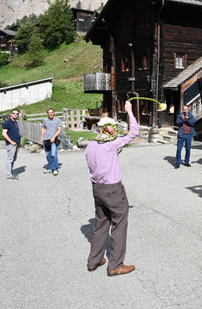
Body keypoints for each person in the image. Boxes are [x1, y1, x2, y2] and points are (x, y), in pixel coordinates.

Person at [85, 100, 140, 277]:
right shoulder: (111, 144)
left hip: (97, 188)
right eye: (113, 127)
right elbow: (134, 132)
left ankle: (94, 260)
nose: (115, 130)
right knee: (119, 223)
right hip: (113, 189)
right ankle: (115, 265)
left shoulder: (91, 145)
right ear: (108, 128)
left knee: (101, 223)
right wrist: (129, 111)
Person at [40, 108, 62, 176]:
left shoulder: (57, 120)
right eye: (49, 112)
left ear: (54, 113)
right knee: (48, 155)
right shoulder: (45, 120)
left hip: (53, 140)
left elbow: (59, 130)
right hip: (46, 140)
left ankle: (55, 169)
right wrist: (42, 136)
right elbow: (43, 128)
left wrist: (54, 137)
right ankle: (50, 168)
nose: (51, 114)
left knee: (53, 154)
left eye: (52, 112)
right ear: (47, 113)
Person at [2, 108, 21, 180]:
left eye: (17, 114)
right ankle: (9, 175)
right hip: (11, 144)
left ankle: (10, 172)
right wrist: (11, 142)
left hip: (16, 144)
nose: (15, 114)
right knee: (10, 159)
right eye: (14, 113)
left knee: (13, 159)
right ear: (11, 114)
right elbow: (4, 134)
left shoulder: (15, 122)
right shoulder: (7, 123)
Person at [175, 104, 195, 169]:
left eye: (186, 109)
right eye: (184, 109)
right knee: (178, 149)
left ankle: (186, 162)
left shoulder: (191, 115)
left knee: (188, 149)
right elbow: (177, 123)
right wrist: (183, 119)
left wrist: (187, 120)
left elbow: (192, 123)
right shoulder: (180, 115)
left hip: (188, 135)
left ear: (188, 109)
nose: (185, 110)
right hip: (181, 134)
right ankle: (177, 163)